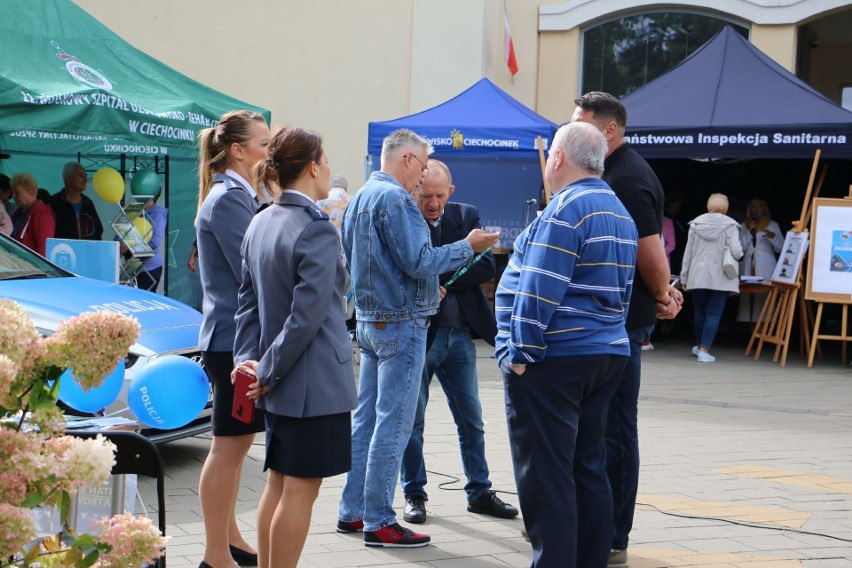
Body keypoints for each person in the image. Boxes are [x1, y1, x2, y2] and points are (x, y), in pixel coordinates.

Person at [337, 128, 498, 548]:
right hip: (402, 325)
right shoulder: (394, 198)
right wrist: (469, 246)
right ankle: (378, 520)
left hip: (373, 323)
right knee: (394, 424)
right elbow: (419, 261)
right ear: (409, 160)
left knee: (367, 422)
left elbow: (354, 261)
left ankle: (352, 512)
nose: (421, 180)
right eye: (423, 168)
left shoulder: (360, 197)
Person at [496, 122, 639, 567]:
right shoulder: (620, 211)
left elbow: (538, 288)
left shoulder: (566, 209)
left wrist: (518, 353)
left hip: (555, 358)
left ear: (557, 158)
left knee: (547, 477)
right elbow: (624, 293)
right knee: (587, 468)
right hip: (604, 353)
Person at [233, 127, 357, 568]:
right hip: (310, 381)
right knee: (300, 490)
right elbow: (305, 319)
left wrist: (250, 363)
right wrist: (263, 371)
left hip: (279, 378)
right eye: (324, 161)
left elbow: (246, 303)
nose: (328, 169)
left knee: (280, 484)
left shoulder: (260, 220)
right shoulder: (316, 229)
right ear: (311, 167)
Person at [571, 91, 682, 568]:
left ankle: (614, 531)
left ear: (608, 129)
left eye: (580, 121)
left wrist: (662, 294)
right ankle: (596, 520)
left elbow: (649, 249)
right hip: (609, 323)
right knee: (599, 429)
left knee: (615, 430)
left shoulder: (629, 177)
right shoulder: (609, 171)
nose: (572, 126)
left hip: (622, 325)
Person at [400, 159, 518, 524]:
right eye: (426, 195)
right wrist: (456, 256)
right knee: (412, 421)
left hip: (461, 335)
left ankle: (479, 490)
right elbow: (412, 266)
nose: (433, 203)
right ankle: (414, 493)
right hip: (421, 334)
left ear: (450, 192)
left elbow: (486, 267)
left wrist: (440, 270)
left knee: (472, 419)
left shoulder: (466, 215)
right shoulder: (407, 219)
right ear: (414, 190)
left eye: (439, 195)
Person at [195, 110, 271, 568]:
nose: (270, 151)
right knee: (228, 446)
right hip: (232, 341)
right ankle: (212, 555)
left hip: (234, 339)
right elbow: (255, 268)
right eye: (264, 144)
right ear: (238, 151)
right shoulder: (228, 200)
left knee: (235, 445)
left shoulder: (239, 195)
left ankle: (230, 540)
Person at [681, 193, 744, 363]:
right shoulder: (731, 226)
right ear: (726, 210)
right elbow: (737, 252)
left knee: (699, 311)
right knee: (714, 313)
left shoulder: (695, 225)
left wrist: (684, 277)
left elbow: (688, 253)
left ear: (708, 208)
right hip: (720, 275)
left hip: (698, 274)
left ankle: (699, 345)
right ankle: (704, 349)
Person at [737, 198, 784, 322]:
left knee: (763, 295)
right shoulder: (744, 225)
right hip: (749, 263)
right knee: (747, 295)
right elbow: (740, 248)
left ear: (764, 209)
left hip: (765, 264)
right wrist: (750, 232)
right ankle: (746, 325)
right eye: (753, 206)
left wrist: (772, 237)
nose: (756, 209)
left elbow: (781, 248)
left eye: (759, 206)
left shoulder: (772, 225)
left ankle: (763, 324)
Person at [50, 163, 103, 240]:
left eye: (86, 175)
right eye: (81, 175)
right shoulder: (54, 202)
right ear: (68, 178)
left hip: (86, 251)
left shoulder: (88, 203)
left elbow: (98, 232)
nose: (85, 180)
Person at [10, 173, 55, 256]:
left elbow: (43, 249)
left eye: (17, 193)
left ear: (30, 192)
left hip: (29, 266)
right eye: (12, 192)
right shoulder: (18, 213)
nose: (13, 196)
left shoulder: (42, 215)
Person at [135, 190, 168, 292]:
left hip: (150, 268)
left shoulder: (158, 215)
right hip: (134, 267)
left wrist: (130, 248)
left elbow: (154, 243)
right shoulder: (136, 212)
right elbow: (120, 234)